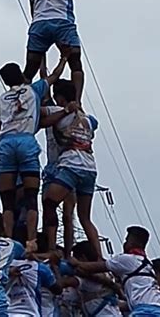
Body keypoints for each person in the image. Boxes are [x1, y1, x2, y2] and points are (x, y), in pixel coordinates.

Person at [0, 57, 74, 250]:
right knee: (31, 198)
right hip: (26, 142)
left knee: (7, 202)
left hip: (6, 144)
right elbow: (54, 76)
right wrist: (63, 58)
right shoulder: (33, 90)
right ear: (22, 75)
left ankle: (9, 242)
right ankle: (31, 241)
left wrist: (2, 147)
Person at [41, 79, 101, 260]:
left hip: (71, 165)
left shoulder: (57, 111)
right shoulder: (89, 119)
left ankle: (52, 247)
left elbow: (40, 116)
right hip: (90, 168)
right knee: (85, 217)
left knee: (49, 202)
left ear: (60, 97)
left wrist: (65, 111)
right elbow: (95, 124)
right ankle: (99, 257)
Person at [71, 226, 160, 317]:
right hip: (158, 310)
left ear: (137, 244)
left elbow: (93, 267)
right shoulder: (147, 263)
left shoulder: (127, 259)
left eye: (127, 240)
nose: (124, 244)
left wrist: (76, 263)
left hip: (145, 311)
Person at [61, 241, 121, 317]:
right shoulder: (106, 274)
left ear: (83, 258)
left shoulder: (86, 278)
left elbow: (66, 282)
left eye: (75, 258)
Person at [7, 251, 61, 316]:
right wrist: (55, 268)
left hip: (7, 313)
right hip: (31, 313)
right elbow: (58, 289)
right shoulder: (38, 267)